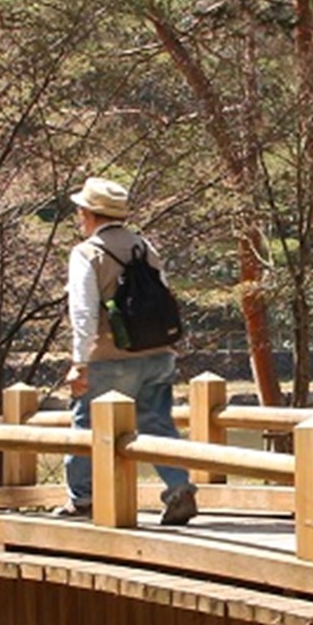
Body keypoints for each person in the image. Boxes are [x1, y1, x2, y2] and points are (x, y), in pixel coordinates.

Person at [60, 176, 198, 526]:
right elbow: (164, 297)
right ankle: (180, 489)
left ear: (89, 214)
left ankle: (84, 499)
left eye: (81, 209)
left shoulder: (87, 253)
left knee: (86, 424)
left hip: (110, 357)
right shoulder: (144, 247)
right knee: (157, 423)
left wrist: (80, 362)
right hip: (157, 353)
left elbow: (84, 313)